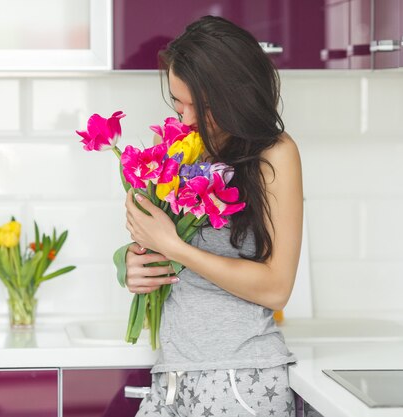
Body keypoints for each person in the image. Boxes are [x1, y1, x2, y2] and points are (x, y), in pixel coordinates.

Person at [124, 15, 303, 417]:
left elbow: (277, 288)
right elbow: (157, 247)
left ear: (234, 95)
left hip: (239, 381)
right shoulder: (174, 143)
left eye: (198, 105)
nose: (184, 118)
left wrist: (172, 246)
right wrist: (132, 265)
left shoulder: (275, 154)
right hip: (171, 376)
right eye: (177, 102)